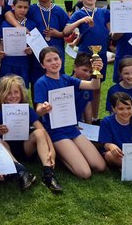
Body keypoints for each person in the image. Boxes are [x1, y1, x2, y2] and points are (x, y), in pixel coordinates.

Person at [33, 47, 106, 179]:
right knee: (85, 173)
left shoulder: (66, 79)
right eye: (49, 60)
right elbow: (38, 109)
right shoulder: (41, 83)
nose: (54, 62)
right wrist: (44, 108)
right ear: (43, 65)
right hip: (55, 131)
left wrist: (96, 71)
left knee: (100, 166)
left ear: (61, 60)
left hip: (71, 127)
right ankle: (61, 154)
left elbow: (94, 86)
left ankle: (69, 151)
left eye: (56, 59)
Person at [0, 75, 62, 193]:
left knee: (39, 132)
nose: (13, 96)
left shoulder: (27, 110)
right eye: (9, 93)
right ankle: (22, 172)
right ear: (2, 94)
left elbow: (42, 130)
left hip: (25, 147)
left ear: (21, 93)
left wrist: (52, 150)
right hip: (8, 151)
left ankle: (48, 175)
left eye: (16, 92)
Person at [64, 0, 110, 122]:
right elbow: (66, 31)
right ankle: (77, 117)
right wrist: (81, 21)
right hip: (84, 55)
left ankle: (94, 118)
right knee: (80, 87)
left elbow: (111, 31)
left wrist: (122, 5)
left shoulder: (103, 12)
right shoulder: (79, 13)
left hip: (100, 55)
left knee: (97, 87)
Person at [22, 0, 69, 85]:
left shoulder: (59, 11)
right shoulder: (31, 10)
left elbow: (68, 32)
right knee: (38, 86)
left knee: (57, 86)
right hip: (36, 57)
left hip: (56, 55)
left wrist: (59, 34)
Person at [0, 0, 35, 87]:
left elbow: (33, 46)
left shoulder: (32, 25)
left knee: (22, 91)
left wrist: (30, 50)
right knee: (5, 90)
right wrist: (0, 52)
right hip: (7, 62)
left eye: (25, 7)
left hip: (23, 63)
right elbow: (2, 42)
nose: (22, 10)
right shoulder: (5, 24)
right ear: (13, 7)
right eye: (19, 7)